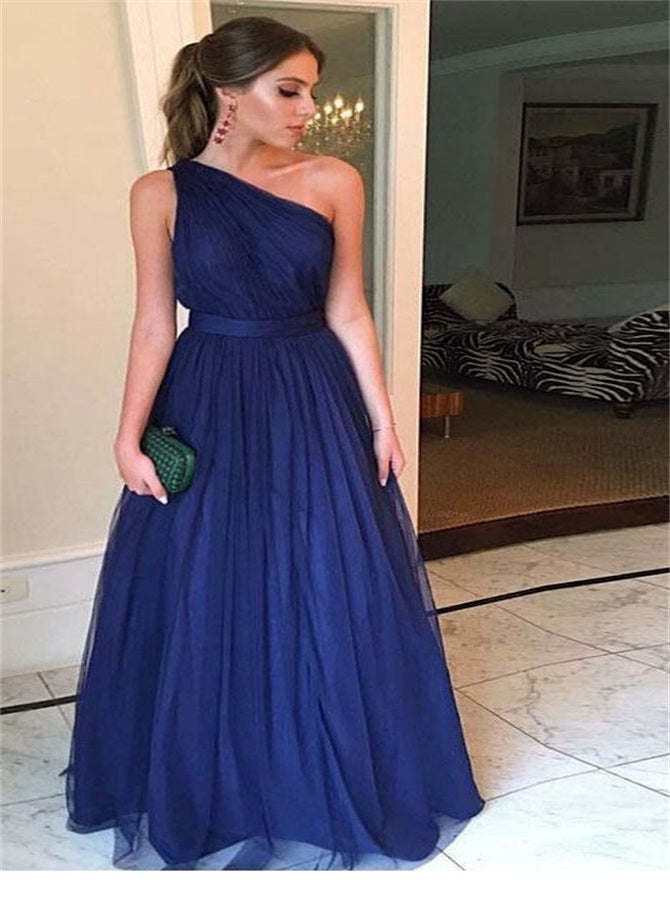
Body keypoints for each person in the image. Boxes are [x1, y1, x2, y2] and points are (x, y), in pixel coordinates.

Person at [61, 16, 485, 870]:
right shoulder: (159, 193)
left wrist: (384, 417)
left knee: (326, 571)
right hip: (208, 394)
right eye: (289, 90)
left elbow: (348, 306)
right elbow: (154, 322)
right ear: (228, 92)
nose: (308, 109)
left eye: (312, 92)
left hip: (312, 392)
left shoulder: (334, 179)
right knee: (209, 581)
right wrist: (128, 434)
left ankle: (318, 769)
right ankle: (218, 778)